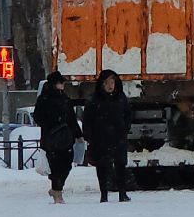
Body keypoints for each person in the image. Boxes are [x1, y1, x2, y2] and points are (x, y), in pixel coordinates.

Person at [83, 69, 132, 203]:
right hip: (100, 139)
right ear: (101, 84)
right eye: (106, 82)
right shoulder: (95, 100)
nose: (110, 85)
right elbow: (87, 119)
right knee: (102, 167)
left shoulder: (121, 98)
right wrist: (89, 136)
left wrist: (124, 129)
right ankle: (103, 194)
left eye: (112, 82)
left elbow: (128, 115)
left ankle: (122, 193)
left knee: (120, 165)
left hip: (118, 137)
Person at [36, 72, 82, 204]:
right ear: (54, 84)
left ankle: (56, 188)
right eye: (60, 83)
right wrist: (52, 125)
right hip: (51, 138)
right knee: (56, 166)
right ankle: (58, 193)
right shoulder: (44, 99)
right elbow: (38, 117)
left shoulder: (65, 99)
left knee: (66, 165)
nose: (62, 85)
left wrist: (78, 135)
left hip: (66, 138)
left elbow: (72, 118)